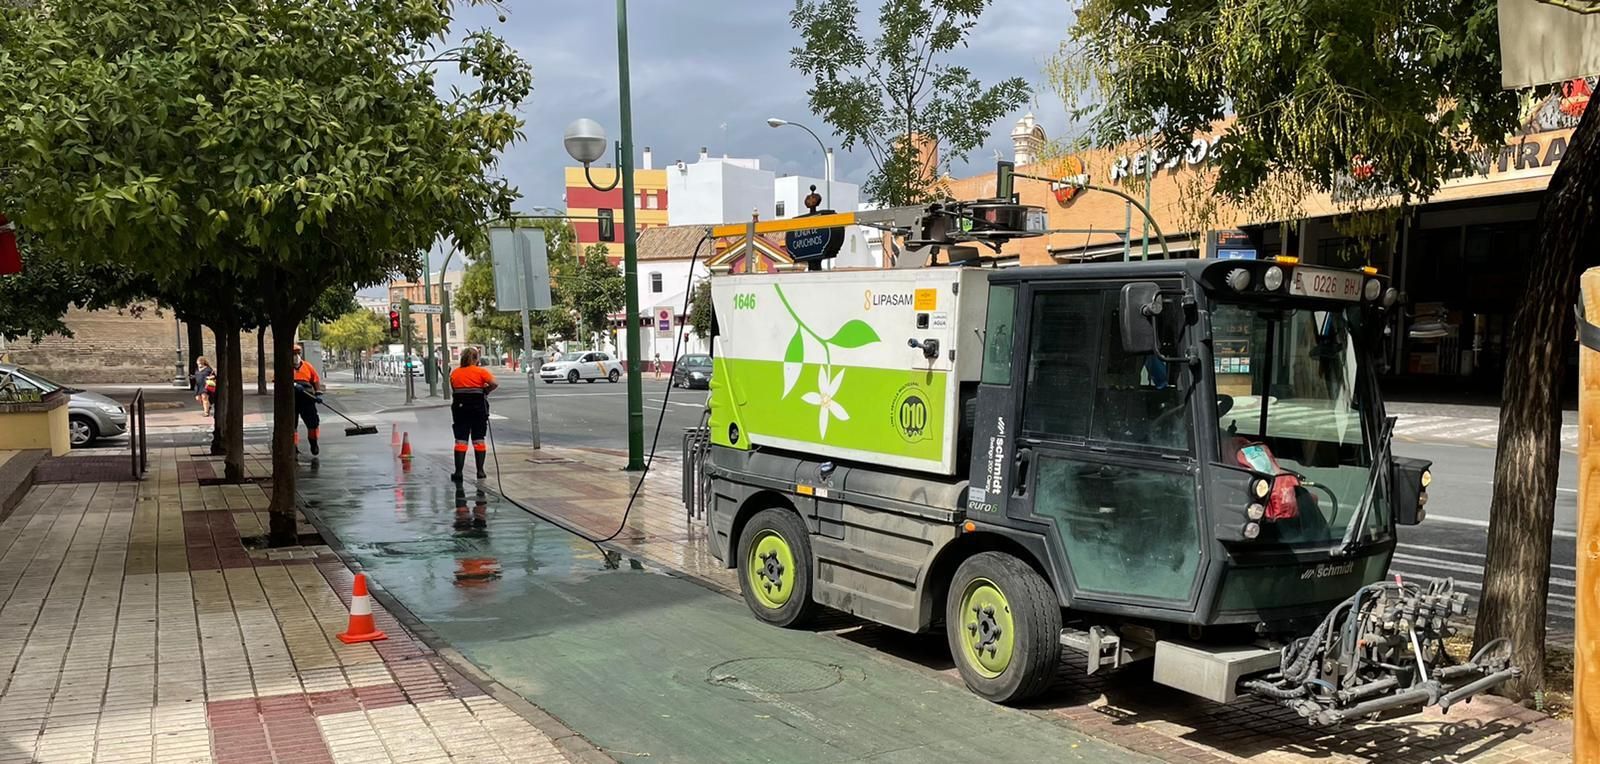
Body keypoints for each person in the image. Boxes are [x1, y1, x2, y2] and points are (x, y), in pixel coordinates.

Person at [448, 346, 498, 481]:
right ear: (476, 359)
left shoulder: (455, 373)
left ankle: (458, 472)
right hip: (478, 409)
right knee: (478, 439)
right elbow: (494, 383)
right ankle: (480, 471)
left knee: (461, 440)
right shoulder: (481, 372)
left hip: (460, 409)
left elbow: (454, 388)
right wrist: (485, 391)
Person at [291, 344, 324, 455]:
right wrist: (294, 384)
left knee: (313, 423)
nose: (296, 356)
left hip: (307, 399)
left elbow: (315, 380)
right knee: (291, 425)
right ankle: (293, 447)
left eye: (298, 353)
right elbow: (278, 381)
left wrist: (318, 394)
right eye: (293, 354)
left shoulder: (307, 366)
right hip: (291, 400)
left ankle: (313, 443)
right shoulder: (284, 367)